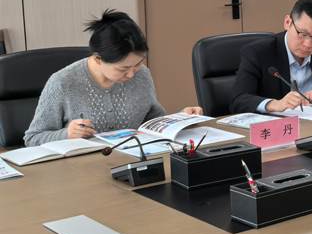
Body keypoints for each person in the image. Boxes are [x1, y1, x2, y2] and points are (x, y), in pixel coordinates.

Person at [24, 10, 203, 146]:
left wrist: (181, 118)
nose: (132, 74)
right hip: (81, 170)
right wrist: (66, 134)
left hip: (134, 161)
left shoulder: (142, 74)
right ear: (98, 59)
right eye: (123, 68)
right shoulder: (63, 83)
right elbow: (32, 138)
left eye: (138, 63)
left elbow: (153, 122)